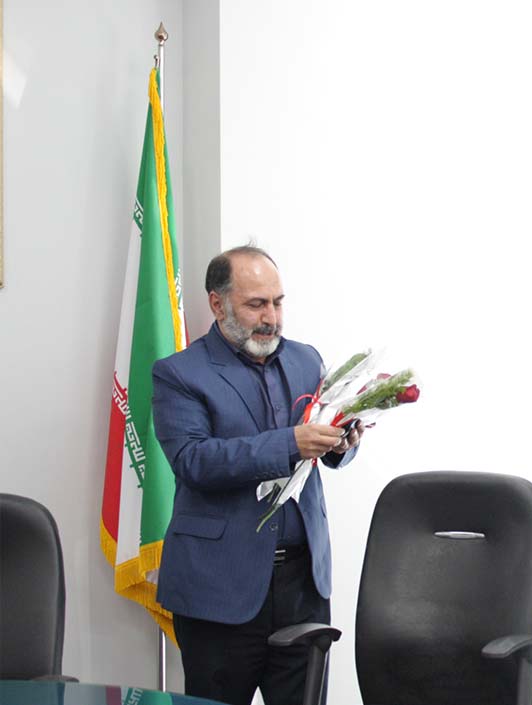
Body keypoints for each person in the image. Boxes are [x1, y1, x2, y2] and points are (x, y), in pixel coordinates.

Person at [152, 246, 363, 705]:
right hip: (219, 589)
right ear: (217, 304)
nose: (272, 318)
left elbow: (322, 449)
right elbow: (193, 460)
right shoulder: (179, 374)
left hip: (303, 586)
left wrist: (342, 443)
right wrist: (291, 443)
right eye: (256, 304)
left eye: (278, 302)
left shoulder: (307, 361)